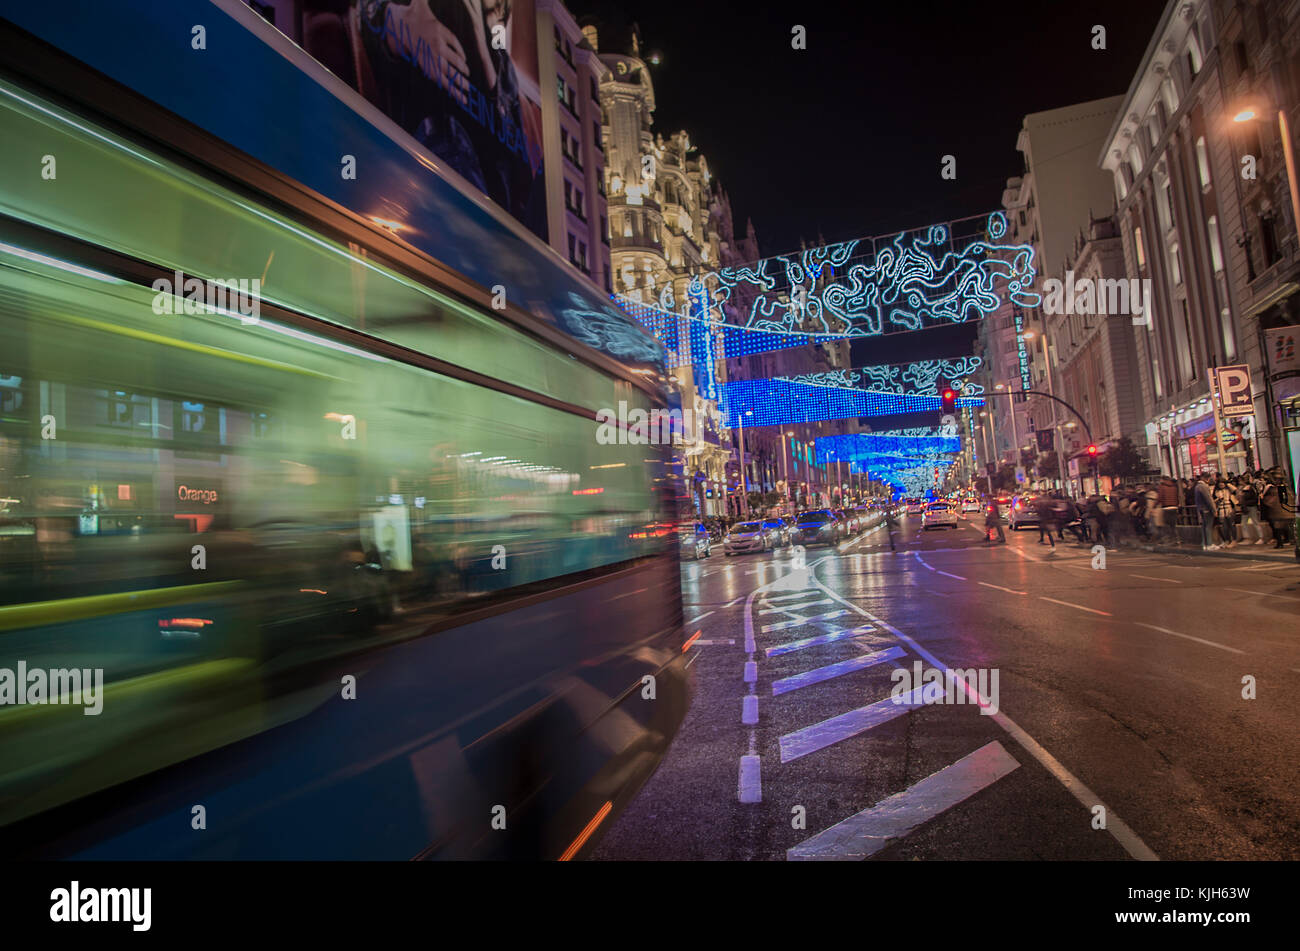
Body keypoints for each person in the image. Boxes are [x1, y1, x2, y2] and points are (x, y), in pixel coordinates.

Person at [1194, 473, 1217, 550]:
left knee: (1204, 527)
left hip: (1200, 509)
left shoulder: (1197, 486)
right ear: (1205, 478)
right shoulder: (1204, 486)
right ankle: (1209, 544)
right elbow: (1209, 499)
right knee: (1208, 526)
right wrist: (1214, 509)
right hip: (1207, 509)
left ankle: (1204, 544)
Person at [1212, 478, 1238, 548]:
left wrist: (1228, 483)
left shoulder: (1228, 489)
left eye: (1223, 482)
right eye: (1219, 483)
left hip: (1229, 508)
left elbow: (1235, 490)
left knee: (1231, 525)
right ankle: (1227, 540)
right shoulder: (1216, 491)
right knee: (1224, 526)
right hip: (1221, 509)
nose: (1221, 484)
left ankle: (1234, 540)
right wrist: (1218, 500)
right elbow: (1213, 500)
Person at [1156, 475, 1180, 546]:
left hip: (1166, 508)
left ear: (1163, 480)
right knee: (1173, 525)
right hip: (1174, 507)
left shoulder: (1162, 487)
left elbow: (1160, 498)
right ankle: (1176, 539)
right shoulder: (1174, 487)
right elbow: (1177, 496)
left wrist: (1155, 505)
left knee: (1165, 525)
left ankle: (1166, 540)